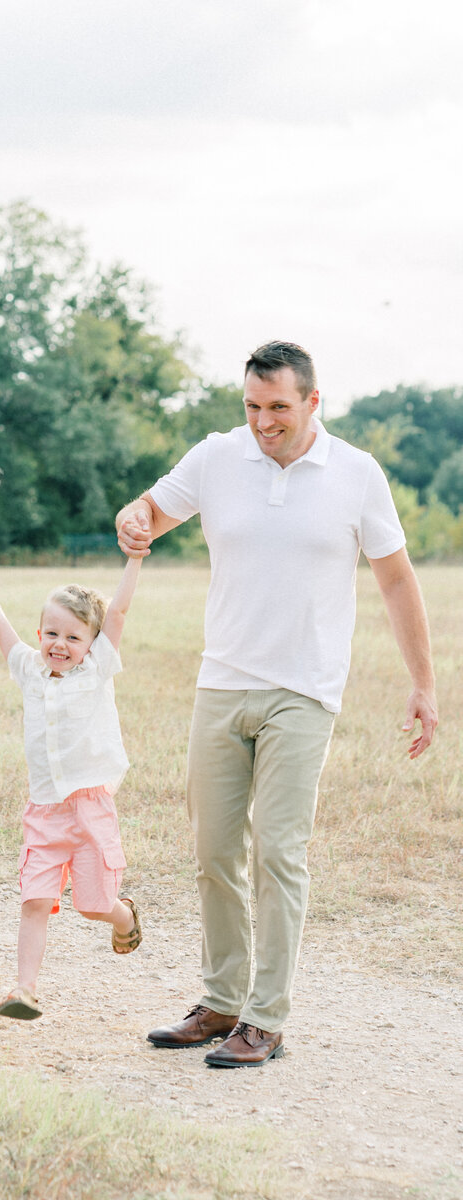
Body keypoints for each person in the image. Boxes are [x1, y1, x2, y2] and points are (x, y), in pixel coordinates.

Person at [116, 341, 437, 1067]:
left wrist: (423, 683)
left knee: (279, 853)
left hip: (306, 689)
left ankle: (266, 1018)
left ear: (313, 402)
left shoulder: (356, 474)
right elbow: (150, 511)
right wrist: (133, 518)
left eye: (279, 408)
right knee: (213, 851)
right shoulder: (216, 457)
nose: (264, 422)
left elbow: (395, 580)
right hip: (221, 682)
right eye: (253, 407)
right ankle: (222, 999)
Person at [0, 540, 146, 1020]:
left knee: (93, 905)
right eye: (51, 633)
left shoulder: (97, 670)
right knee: (35, 899)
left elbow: (121, 610)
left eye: (72, 637)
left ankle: (122, 913)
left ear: (91, 643)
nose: (59, 645)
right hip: (45, 809)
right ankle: (24, 990)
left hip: (90, 807)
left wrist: (136, 557)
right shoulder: (29, 669)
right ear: (40, 633)